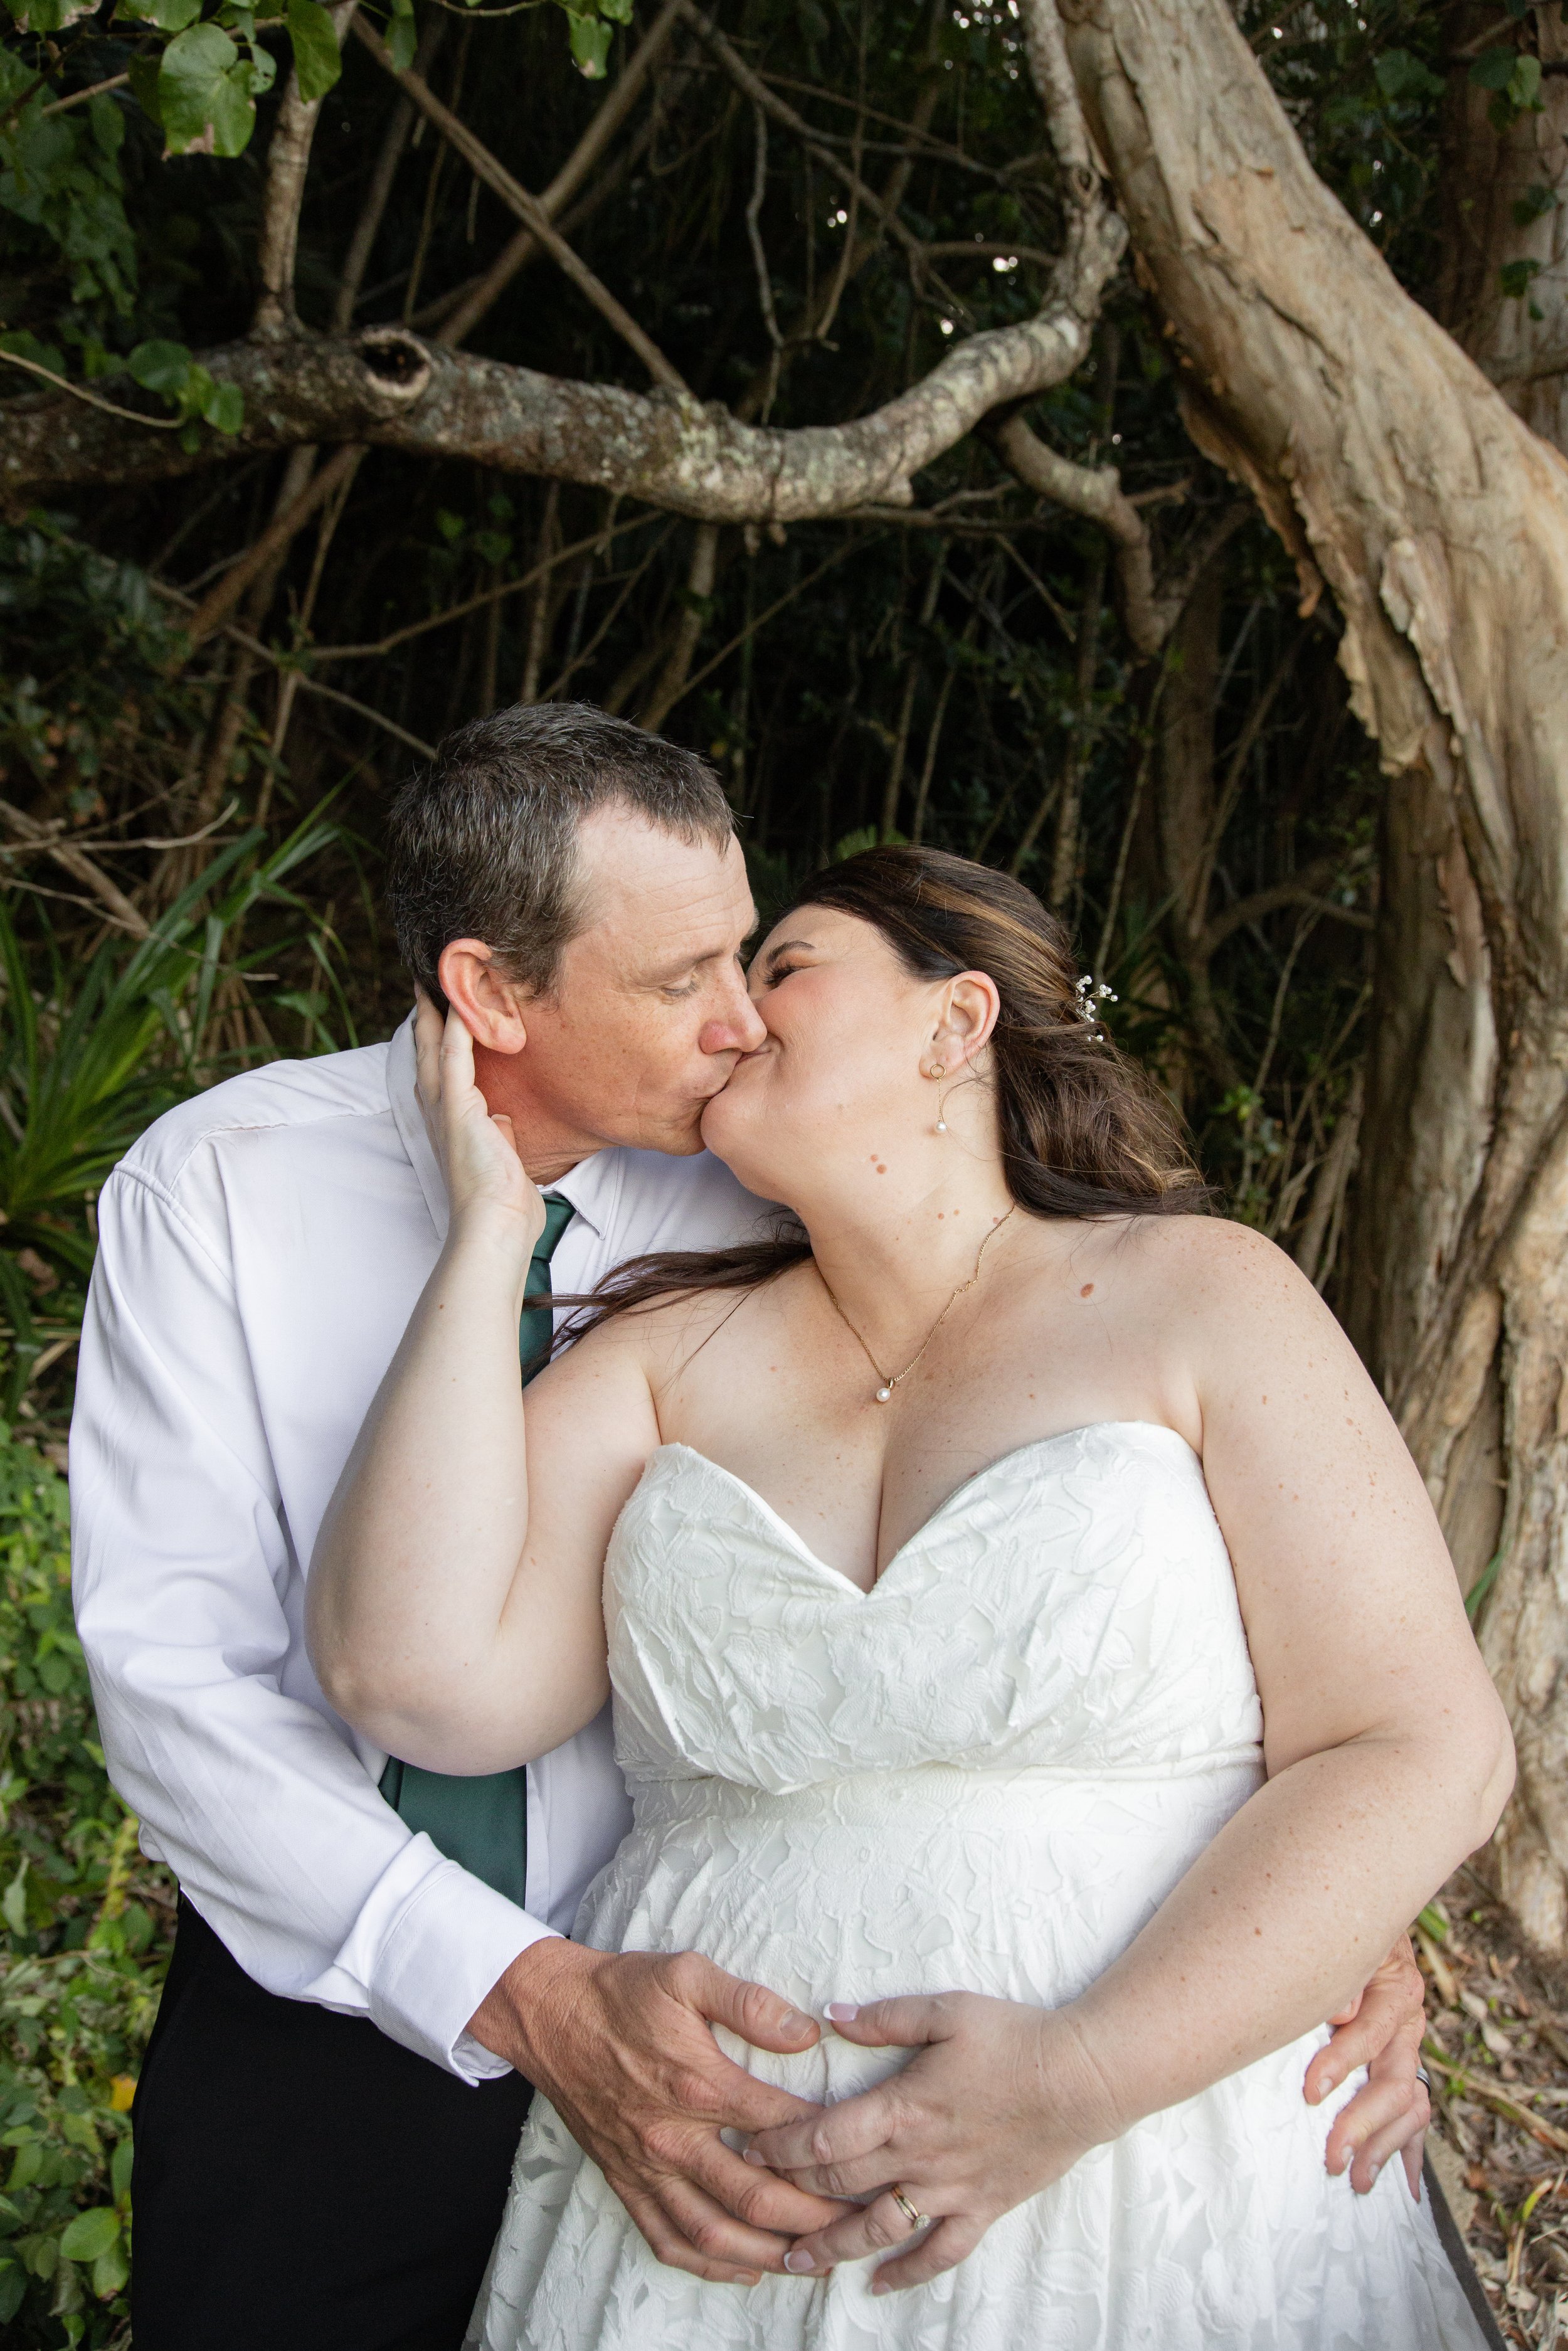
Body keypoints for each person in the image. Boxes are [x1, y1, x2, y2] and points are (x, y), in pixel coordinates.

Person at [72, 708, 1433, 2351]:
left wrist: (1331, 1917)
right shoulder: (221, 1193)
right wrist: (519, 1986)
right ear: (491, 991)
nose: (734, 1023)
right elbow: (223, 1679)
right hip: (378, 2005)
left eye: (761, 957)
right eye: (687, 979)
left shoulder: (786, 1194)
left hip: (852, 2080)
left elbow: (1331, 1689)